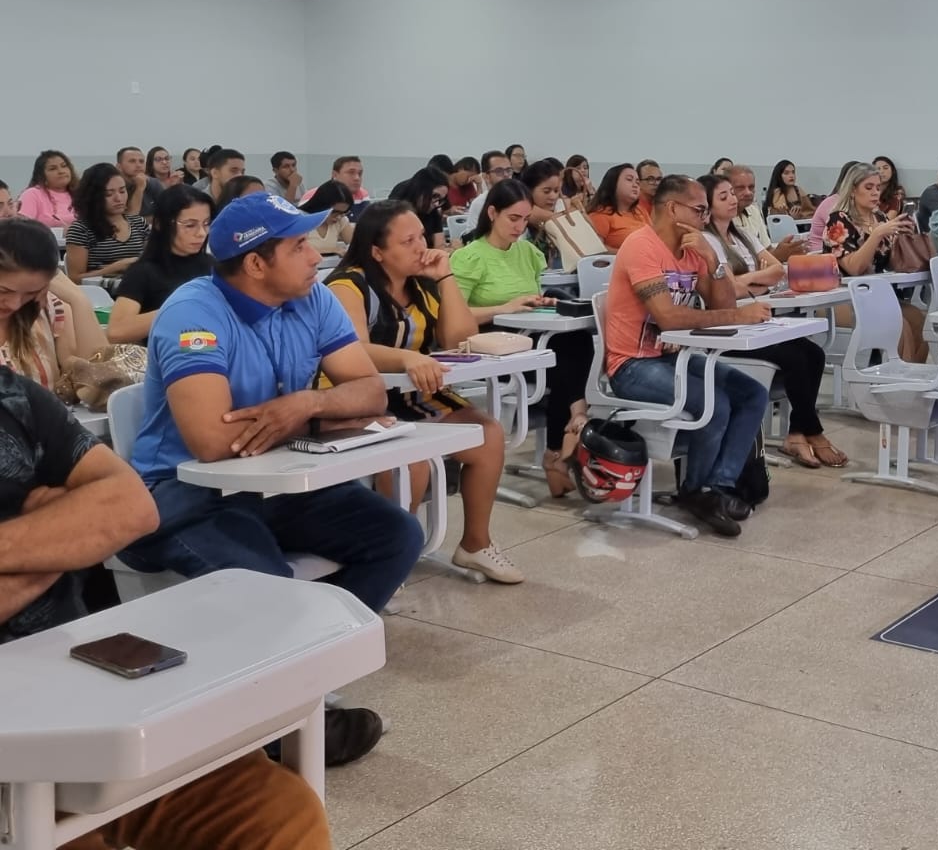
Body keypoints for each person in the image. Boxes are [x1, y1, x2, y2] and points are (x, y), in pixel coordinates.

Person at [116, 192, 422, 760]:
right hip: (183, 497)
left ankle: (301, 677)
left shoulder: (314, 298)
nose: (316, 256)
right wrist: (321, 410)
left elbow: (371, 392)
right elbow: (211, 441)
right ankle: (279, 726)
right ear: (256, 263)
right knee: (271, 586)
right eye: (300, 245)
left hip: (271, 481)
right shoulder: (194, 313)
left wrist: (302, 404)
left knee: (397, 535)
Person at [0, 367, 337, 849]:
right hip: (20, 742)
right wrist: (59, 537)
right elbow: (205, 446)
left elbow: (131, 509)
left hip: (70, 686)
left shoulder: (12, 396)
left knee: (274, 816)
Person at [327, 202, 522, 584]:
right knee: (410, 461)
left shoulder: (421, 284)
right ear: (377, 251)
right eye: (408, 240)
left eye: (421, 235)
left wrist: (445, 276)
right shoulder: (347, 285)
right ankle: (388, 557)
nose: (422, 246)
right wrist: (405, 358)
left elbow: (459, 338)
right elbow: (352, 348)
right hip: (358, 398)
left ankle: (475, 544)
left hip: (413, 394)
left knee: (488, 434)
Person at [605, 175, 772, 537]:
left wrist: (713, 259)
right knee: (716, 403)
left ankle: (719, 486)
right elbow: (669, 317)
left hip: (671, 358)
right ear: (672, 209)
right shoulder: (642, 247)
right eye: (699, 211)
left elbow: (724, 302)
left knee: (752, 394)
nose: (704, 218)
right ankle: (697, 491)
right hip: (632, 364)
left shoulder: (693, 249)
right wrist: (737, 316)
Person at [451, 180, 593, 492]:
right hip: (488, 340)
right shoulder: (470, 256)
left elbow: (528, 296)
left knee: (577, 341)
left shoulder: (527, 252)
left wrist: (540, 302)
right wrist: (506, 307)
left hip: (529, 333)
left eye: (525, 220)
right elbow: (453, 316)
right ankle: (568, 435)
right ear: (491, 213)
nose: (520, 227)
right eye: (512, 219)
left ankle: (564, 439)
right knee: (561, 359)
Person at [700, 174, 844, 468]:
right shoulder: (706, 241)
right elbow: (727, 290)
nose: (733, 199)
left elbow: (777, 270)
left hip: (756, 318)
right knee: (794, 357)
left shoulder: (741, 234)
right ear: (707, 205)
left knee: (813, 353)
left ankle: (796, 432)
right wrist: (755, 281)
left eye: (732, 193)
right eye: (724, 195)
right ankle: (813, 432)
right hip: (726, 327)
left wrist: (746, 282)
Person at [824, 161, 928, 363]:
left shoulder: (879, 217)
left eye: (878, 188)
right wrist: (877, 235)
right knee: (900, 325)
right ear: (853, 190)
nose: (875, 193)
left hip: (878, 294)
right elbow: (853, 268)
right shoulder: (839, 220)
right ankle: (897, 380)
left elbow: (889, 264)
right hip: (845, 296)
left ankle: (914, 376)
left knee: (917, 319)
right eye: (868, 187)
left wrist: (902, 239)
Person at [0, 219, 106, 389]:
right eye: (4, 291)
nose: (15, 304)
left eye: (31, 292)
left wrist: (78, 300)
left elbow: (98, 380)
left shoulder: (46, 309)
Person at [108, 188, 215, 344]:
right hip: (167, 355)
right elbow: (116, 331)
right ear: (160, 224)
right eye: (190, 225)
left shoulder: (213, 265)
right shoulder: (143, 272)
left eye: (206, 224)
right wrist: (179, 309)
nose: (201, 233)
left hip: (213, 348)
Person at [64, 162, 150, 284]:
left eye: (122, 191)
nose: (118, 198)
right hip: (102, 294)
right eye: (109, 194)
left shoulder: (138, 223)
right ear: (94, 196)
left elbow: (153, 261)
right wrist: (114, 268)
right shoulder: (81, 229)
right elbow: (74, 279)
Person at [727, 164, 804, 262]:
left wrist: (785, 251)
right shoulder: (722, 218)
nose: (748, 192)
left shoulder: (753, 210)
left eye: (751, 187)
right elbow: (739, 264)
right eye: (740, 188)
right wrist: (777, 255)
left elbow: (768, 249)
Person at [804, 161, 864, 253]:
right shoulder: (833, 203)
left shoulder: (856, 202)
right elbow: (844, 232)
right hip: (820, 252)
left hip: (844, 248)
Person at [587, 163, 649, 252]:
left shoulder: (640, 210)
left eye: (637, 182)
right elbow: (595, 252)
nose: (635, 185)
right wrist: (628, 254)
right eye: (629, 180)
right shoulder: (600, 214)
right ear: (613, 183)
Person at [390, 168, 449, 249]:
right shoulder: (397, 210)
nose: (436, 204)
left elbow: (440, 246)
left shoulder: (433, 212)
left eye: (440, 200)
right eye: (435, 196)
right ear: (420, 190)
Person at [18, 149, 77, 228]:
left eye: (64, 166)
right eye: (53, 169)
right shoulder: (32, 194)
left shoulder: (82, 194)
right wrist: (60, 232)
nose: (61, 171)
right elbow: (22, 229)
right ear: (42, 175)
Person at [459, 150, 515, 231]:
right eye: (499, 171)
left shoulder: (518, 199)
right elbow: (473, 237)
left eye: (508, 170)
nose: (506, 175)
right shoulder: (479, 203)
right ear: (486, 177)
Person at [300, 181, 354, 256]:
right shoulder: (301, 219)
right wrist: (331, 250)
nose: (338, 217)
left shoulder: (341, 220)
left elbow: (355, 245)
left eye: (343, 213)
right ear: (321, 205)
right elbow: (295, 251)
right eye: (335, 212)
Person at [303, 156, 369, 204]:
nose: (357, 178)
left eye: (360, 173)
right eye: (351, 172)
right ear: (335, 175)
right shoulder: (313, 196)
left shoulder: (363, 195)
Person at [117, 145, 161, 217]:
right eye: (132, 161)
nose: (138, 165)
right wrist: (139, 188)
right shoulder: (114, 187)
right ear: (119, 167)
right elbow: (130, 219)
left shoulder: (154, 183)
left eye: (141, 161)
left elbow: (167, 212)